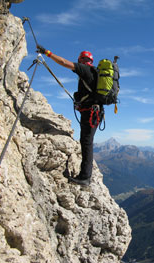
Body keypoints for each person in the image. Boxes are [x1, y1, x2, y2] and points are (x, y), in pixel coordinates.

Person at [36, 44, 103, 186]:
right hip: (95, 113)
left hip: (90, 114)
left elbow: (64, 63)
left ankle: (85, 177)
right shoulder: (95, 72)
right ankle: (85, 176)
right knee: (87, 142)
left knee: (86, 143)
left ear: (81, 60)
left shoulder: (84, 69)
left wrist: (48, 53)